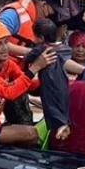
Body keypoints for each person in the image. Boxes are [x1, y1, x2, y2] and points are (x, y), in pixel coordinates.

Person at [0, 0, 75, 125]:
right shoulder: (13, 15)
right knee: (22, 123)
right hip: (3, 77)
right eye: (52, 11)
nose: (51, 16)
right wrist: (33, 53)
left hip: (20, 75)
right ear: (43, 5)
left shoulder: (34, 21)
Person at [26, 18, 72, 146]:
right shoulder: (64, 48)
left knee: (50, 108)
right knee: (62, 105)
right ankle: (64, 125)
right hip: (62, 83)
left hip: (48, 84)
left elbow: (27, 58)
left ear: (40, 37)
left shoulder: (41, 49)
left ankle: (57, 131)